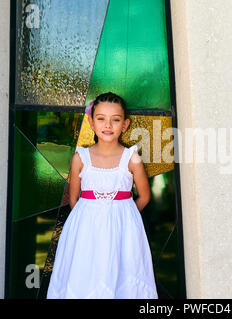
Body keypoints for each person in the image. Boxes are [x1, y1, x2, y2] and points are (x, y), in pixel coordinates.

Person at [47, 92, 158, 299]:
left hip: (123, 230)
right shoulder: (81, 157)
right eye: (101, 119)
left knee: (123, 277)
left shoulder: (131, 158)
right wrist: (92, 217)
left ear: (125, 125)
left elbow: (144, 196)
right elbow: (74, 199)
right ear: (91, 122)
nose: (108, 125)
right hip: (86, 231)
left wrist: (126, 215)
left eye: (115, 120)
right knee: (86, 276)